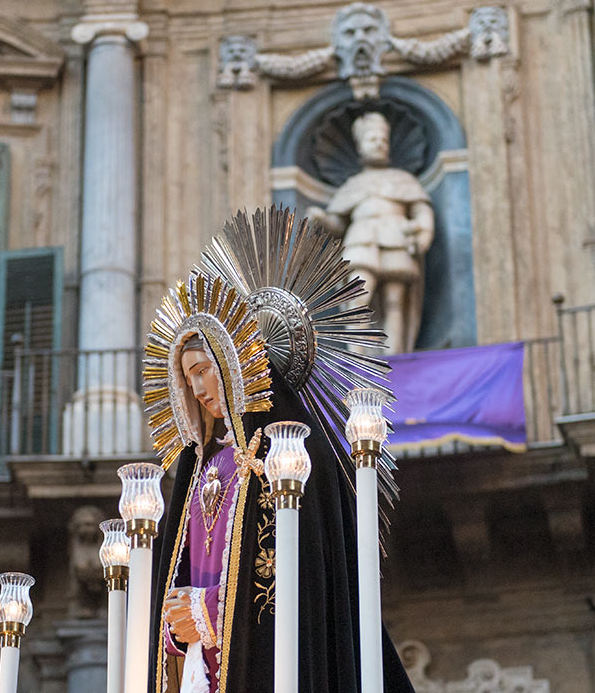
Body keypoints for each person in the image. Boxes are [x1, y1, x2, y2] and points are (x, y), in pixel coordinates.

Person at [144, 274, 414, 693]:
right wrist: (174, 621)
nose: (196, 390)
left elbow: (308, 571)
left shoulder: (293, 455)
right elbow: (174, 573)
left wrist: (210, 609)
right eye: (186, 378)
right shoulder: (199, 467)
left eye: (202, 370)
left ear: (235, 365)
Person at [308, 111, 434, 353]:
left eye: (383, 140)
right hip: (361, 241)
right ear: (360, 147)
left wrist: (424, 232)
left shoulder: (402, 179)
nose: (379, 144)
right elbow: (337, 225)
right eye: (372, 139)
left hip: (395, 239)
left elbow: (421, 210)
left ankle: (394, 353)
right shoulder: (352, 185)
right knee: (358, 298)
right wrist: (322, 220)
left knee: (395, 300)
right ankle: (358, 354)